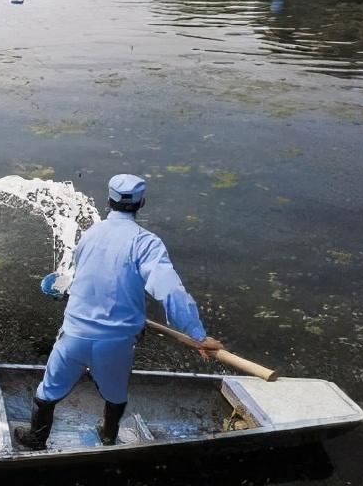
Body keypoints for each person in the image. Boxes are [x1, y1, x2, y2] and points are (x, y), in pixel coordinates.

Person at [15, 175, 222, 451]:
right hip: (115, 343)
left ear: (108, 201)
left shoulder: (89, 235)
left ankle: (36, 439)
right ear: (142, 203)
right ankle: (108, 437)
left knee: (47, 392)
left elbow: (82, 279)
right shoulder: (146, 243)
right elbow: (170, 291)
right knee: (115, 395)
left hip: (74, 335)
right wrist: (197, 334)